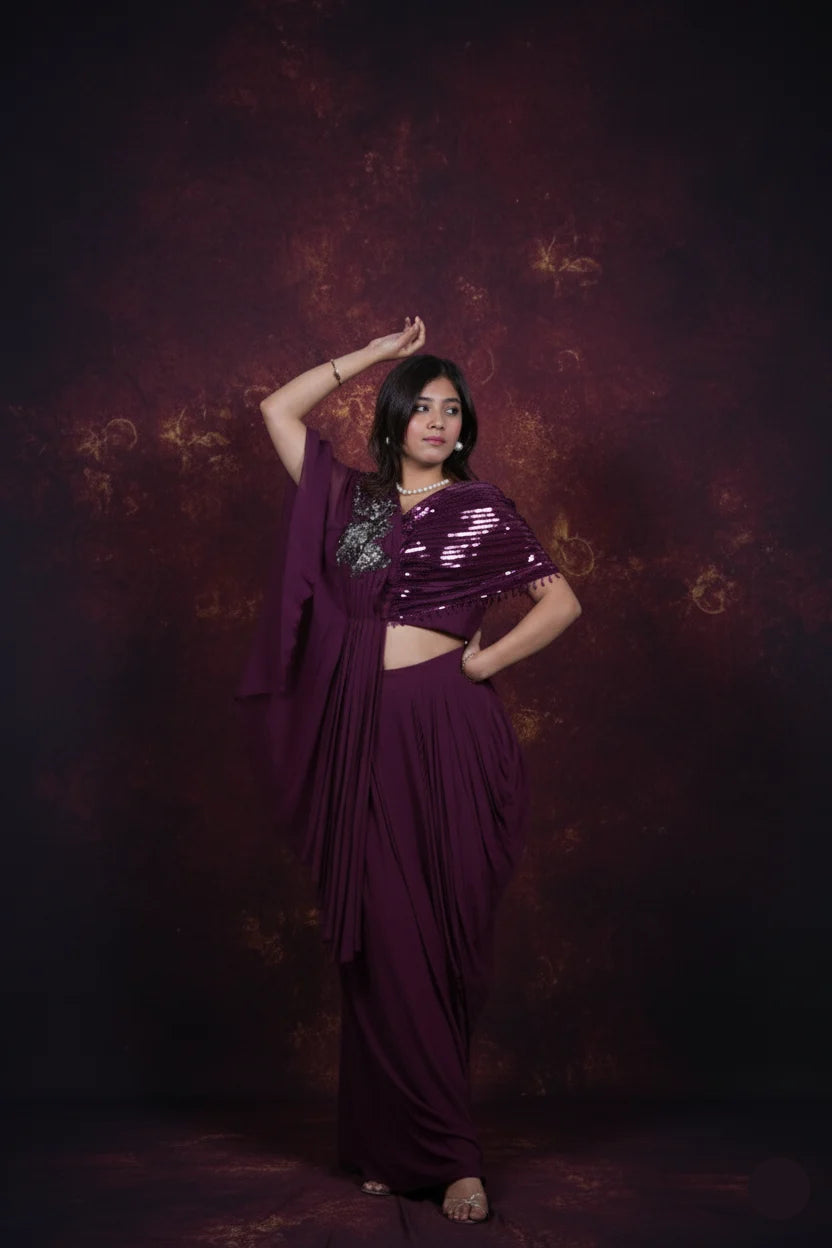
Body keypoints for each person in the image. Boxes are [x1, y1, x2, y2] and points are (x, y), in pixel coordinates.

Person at [236, 317, 582, 1223]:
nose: (436, 419)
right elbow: (277, 407)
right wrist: (378, 355)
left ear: (464, 430)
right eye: (419, 406)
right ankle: (408, 1147)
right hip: (366, 732)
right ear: (393, 419)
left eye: (451, 409)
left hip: (452, 731)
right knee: (384, 937)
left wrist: (480, 664)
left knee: (443, 933)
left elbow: (561, 603)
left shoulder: (483, 509)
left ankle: (446, 1150)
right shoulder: (349, 501)